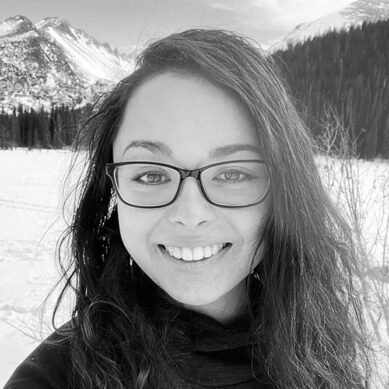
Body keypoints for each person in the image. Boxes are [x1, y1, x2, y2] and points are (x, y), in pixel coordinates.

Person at [4, 29, 372, 389]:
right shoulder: (54, 378)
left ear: (285, 191)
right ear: (112, 193)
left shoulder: (320, 349)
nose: (190, 213)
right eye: (150, 175)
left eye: (232, 173)